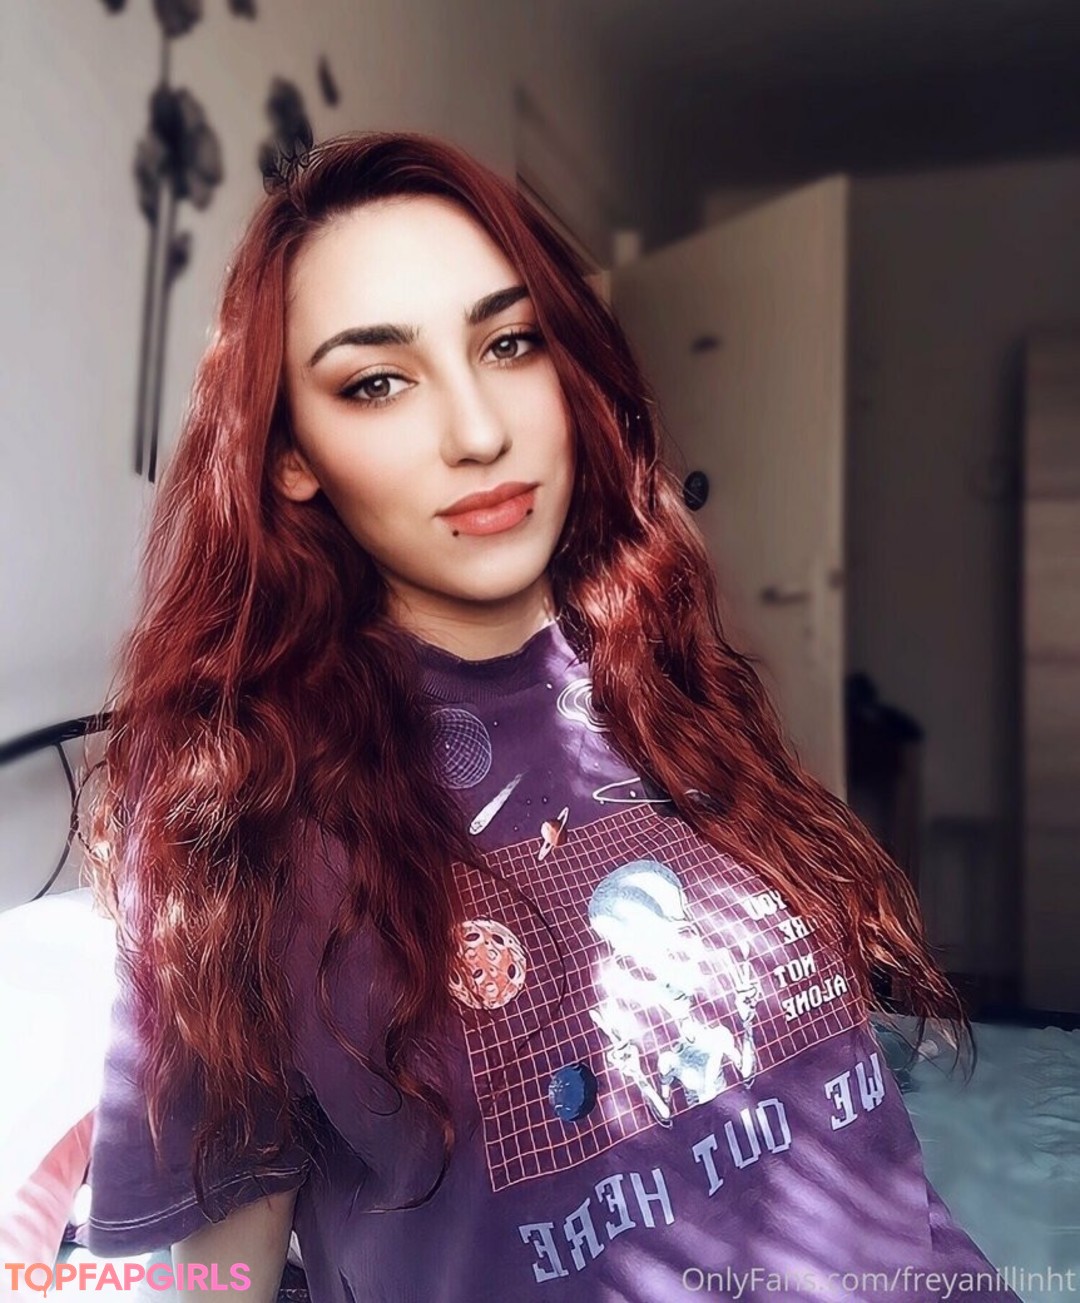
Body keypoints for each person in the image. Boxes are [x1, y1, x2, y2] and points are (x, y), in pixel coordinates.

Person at [83, 131, 1019, 1302]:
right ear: (291, 457)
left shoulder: (665, 670)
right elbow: (222, 1263)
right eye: (376, 381)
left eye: (509, 342)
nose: (479, 431)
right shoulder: (239, 796)